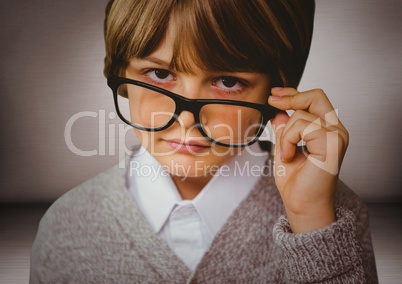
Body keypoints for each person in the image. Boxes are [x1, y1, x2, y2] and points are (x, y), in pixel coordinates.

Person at [30, 0, 378, 283]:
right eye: (161, 74)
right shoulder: (65, 226)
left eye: (227, 81)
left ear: (278, 88)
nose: (186, 119)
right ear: (120, 75)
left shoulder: (330, 216)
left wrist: (310, 221)